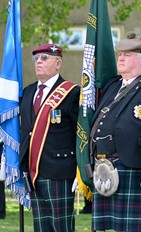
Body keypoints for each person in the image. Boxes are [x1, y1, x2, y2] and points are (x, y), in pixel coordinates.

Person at [89, 27, 141, 231]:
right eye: (120, 55)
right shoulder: (112, 86)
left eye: (127, 55)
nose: (121, 59)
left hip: (134, 166)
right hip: (104, 166)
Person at [19, 44, 80, 232]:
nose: (38, 62)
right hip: (33, 170)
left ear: (58, 63)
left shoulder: (71, 93)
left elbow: (80, 133)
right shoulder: (29, 92)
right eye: (36, 59)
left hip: (60, 169)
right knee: (41, 226)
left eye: (44, 58)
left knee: (61, 226)